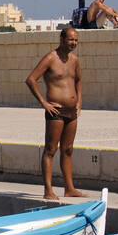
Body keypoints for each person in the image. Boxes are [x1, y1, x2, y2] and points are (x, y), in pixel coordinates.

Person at [25, 27, 87, 200]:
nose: (73, 43)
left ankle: (69, 188)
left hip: (71, 111)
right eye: (70, 40)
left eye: (76, 40)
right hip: (56, 109)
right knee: (51, 149)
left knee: (68, 150)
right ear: (61, 39)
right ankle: (48, 190)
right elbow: (31, 79)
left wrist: (80, 100)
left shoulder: (74, 60)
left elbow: (79, 80)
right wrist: (44, 103)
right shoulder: (51, 58)